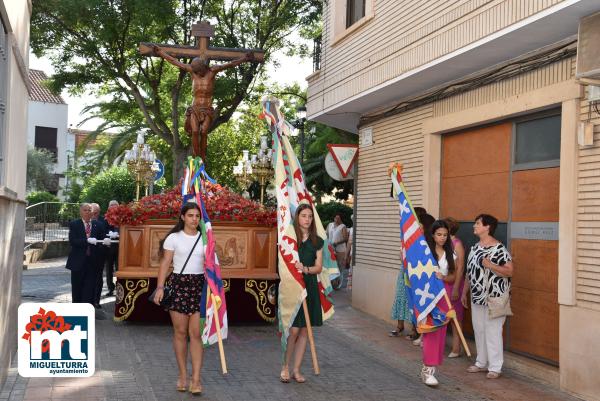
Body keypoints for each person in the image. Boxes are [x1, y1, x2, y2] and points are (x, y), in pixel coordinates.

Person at [151, 44, 255, 159]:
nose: (197, 72)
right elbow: (175, 62)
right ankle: (197, 157)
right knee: (195, 132)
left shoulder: (212, 71)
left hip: (207, 109)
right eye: (195, 70)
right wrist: (161, 53)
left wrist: (245, 58)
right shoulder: (193, 72)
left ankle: (203, 155)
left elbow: (230, 64)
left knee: (204, 131)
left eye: (198, 70)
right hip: (194, 108)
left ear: (203, 67)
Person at [154, 202, 206, 395]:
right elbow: (165, 263)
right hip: (178, 285)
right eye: (191, 215)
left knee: (196, 334)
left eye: (197, 216)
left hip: (199, 286)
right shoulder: (174, 238)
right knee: (180, 332)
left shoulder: (206, 239)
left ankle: (196, 379)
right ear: (183, 217)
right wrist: (160, 287)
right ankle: (183, 375)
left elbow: (212, 264)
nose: (194, 219)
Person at [461, 214, 513, 379]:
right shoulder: (475, 247)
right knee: (480, 329)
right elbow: (469, 272)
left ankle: (495, 367)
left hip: (495, 297)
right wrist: (464, 292)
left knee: (493, 331)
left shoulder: (499, 249)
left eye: (477, 223)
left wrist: (490, 265)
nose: (474, 226)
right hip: (477, 297)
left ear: (487, 227)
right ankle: (481, 362)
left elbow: (509, 271)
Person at [280, 204, 324, 384]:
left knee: (305, 331)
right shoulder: (290, 240)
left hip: (310, 286)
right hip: (293, 288)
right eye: (304, 215)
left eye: (310, 216)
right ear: (297, 217)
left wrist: (305, 269)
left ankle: (296, 370)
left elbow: (318, 267)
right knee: (294, 330)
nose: (307, 219)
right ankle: (285, 366)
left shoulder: (317, 241)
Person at [419, 220, 456, 386]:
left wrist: (443, 277)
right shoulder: (425, 252)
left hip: (444, 295)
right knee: (430, 331)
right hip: (428, 295)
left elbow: (453, 277)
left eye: (445, 235)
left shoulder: (451, 253)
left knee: (440, 333)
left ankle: (430, 369)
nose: (442, 238)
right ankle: (427, 370)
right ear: (432, 235)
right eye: (439, 234)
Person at [65, 203, 109, 307]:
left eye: (89, 210)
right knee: (77, 288)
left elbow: (102, 240)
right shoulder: (75, 224)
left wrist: (106, 241)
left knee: (90, 288)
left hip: (93, 262)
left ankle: (88, 310)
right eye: (85, 210)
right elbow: (73, 241)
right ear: (80, 212)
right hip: (77, 262)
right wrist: (86, 241)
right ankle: (77, 311)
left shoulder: (98, 225)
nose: (88, 212)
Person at [444, 217, 465, 357]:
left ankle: (456, 348)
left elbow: (461, 267)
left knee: (455, 317)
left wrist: (457, 287)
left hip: (454, 283)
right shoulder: (442, 243)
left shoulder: (457, 243)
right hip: (443, 282)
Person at [91, 203, 108, 308]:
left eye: (96, 213)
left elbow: (106, 234)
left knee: (98, 278)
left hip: (99, 254)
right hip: (87, 255)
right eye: (93, 212)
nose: (94, 215)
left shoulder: (103, 221)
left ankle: (96, 300)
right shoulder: (83, 221)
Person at [327, 213, 348, 289]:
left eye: (338, 218)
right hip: (331, 249)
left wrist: (337, 243)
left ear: (341, 219)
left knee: (340, 267)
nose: (337, 219)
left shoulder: (343, 226)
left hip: (340, 250)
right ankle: (332, 283)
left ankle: (339, 284)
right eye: (336, 218)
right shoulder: (330, 225)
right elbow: (326, 234)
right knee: (332, 266)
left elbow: (346, 238)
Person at [104, 200, 120, 296]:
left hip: (120, 247)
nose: (113, 207)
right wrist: (108, 235)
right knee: (109, 269)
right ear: (108, 207)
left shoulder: (122, 216)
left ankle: (119, 287)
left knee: (119, 269)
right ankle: (110, 288)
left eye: (115, 205)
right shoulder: (106, 218)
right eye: (111, 206)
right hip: (109, 248)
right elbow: (103, 229)